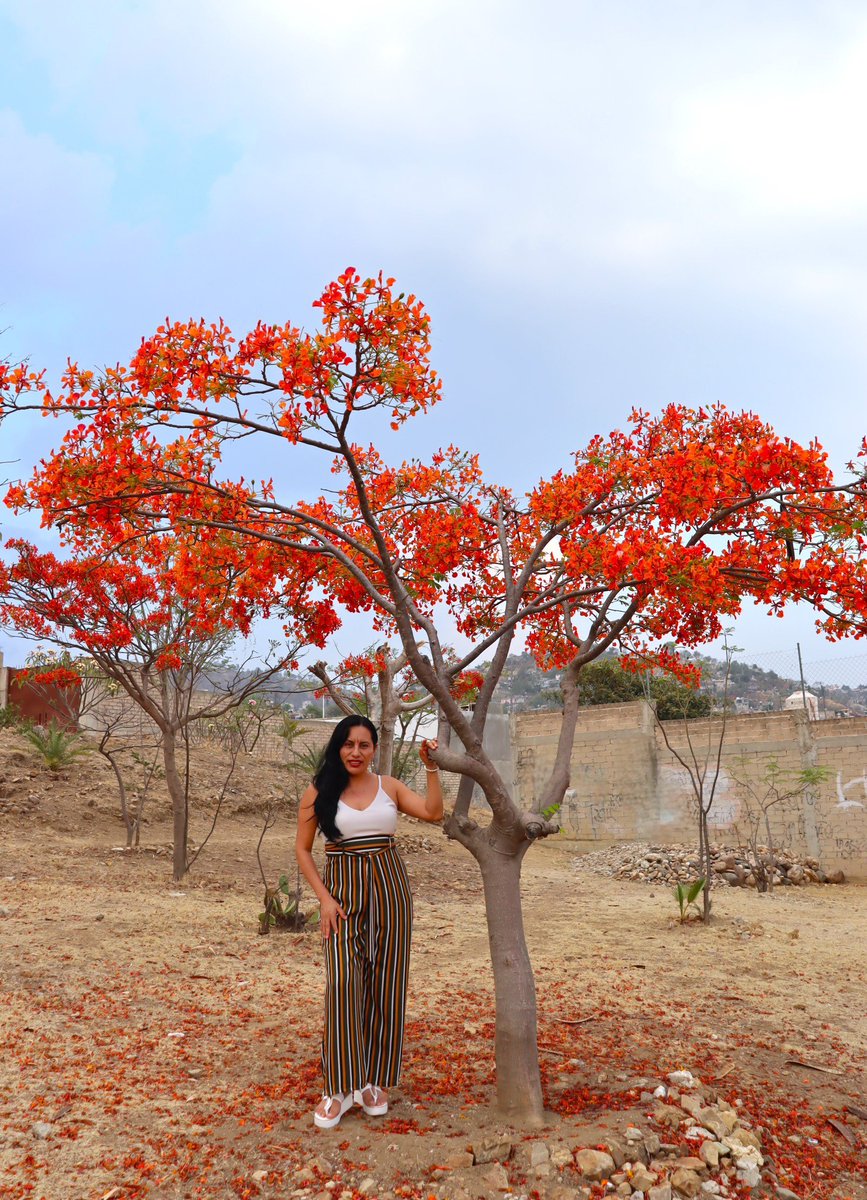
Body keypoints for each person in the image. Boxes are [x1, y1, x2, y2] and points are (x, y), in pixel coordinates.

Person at [295, 714, 443, 1129]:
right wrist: (323, 899)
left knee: (386, 982)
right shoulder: (318, 792)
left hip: (390, 892)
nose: (355, 752)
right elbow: (303, 850)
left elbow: (433, 812)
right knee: (343, 984)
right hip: (341, 897)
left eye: (363, 745)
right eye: (347, 744)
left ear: (374, 749)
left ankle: (372, 1081)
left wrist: (431, 766)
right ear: (337, 747)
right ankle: (339, 1088)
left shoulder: (389, 786)